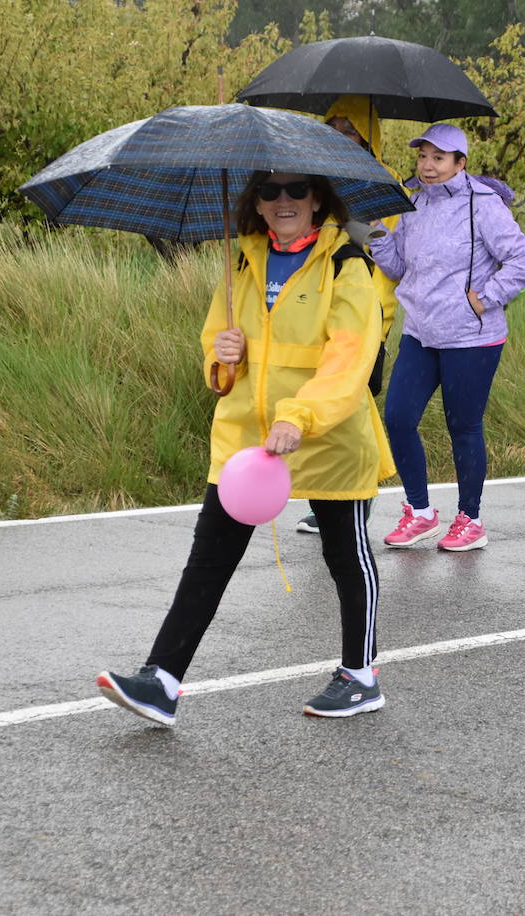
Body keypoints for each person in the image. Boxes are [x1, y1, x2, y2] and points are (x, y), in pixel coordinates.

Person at [96, 171, 394, 724]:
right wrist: (222, 355)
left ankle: (361, 675)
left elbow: (349, 358)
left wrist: (299, 417)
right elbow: (218, 356)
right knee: (209, 556)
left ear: (318, 199)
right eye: (270, 191)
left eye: (297, 190)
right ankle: (161, 680)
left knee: (345, 555)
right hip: (247, 442)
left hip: (326, 436)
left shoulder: (346, 264)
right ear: (254, 202)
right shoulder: (240, 264)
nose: (284, 201)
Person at [367, 123, 525, 552]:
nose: (427, 165)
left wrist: (485, 300)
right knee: (399, 418)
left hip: (471, 337)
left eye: (438, 158)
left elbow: (521, 261)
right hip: (421, 332)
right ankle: (421, 513)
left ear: (461, 163)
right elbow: (398, 268)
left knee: (463, 427)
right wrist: (372, 232)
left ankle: (470, 520)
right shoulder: (412, 202)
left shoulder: (485, 205)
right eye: (422, 156)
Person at [296, 96, 403, 535]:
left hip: (366, 313)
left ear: (368, 135)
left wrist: (375, 320)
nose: (340, 134)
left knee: (354, 411)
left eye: (349, 128)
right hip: (317, 311)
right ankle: (325, 503)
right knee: (321, 403)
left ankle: (355, 504)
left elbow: (390, 256)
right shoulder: (316, 180)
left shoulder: (385, 184)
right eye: (333, 125)